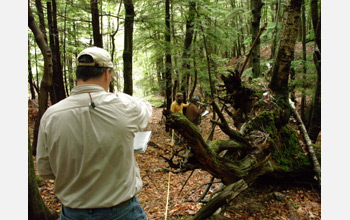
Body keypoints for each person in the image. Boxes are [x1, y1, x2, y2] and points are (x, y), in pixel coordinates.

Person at [36, 46, 152, 220]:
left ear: (78, 74)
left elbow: (46, 170)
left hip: (72, 213)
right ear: (107, 74)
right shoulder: (126, 107)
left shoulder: (51, 115)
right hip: (123, 213)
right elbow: (146, 111)